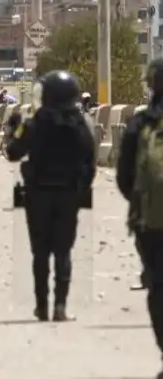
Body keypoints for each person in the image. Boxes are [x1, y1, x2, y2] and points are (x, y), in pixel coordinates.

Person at [6, 70, 95, 322]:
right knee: (63, 252)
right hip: (68, 195)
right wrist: (79, 191)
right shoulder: (80, 125)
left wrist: (13, 131)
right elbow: (89, 163)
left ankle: (42, 306)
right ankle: (60, 307)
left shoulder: (34, 124)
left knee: (41, 252)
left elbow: (13, 152)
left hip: (38, 194)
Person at [116, 57, 163, 376]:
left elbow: (124, 177)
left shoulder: (140, 124)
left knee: (158, 287)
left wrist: (139, 204)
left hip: (152, 221)